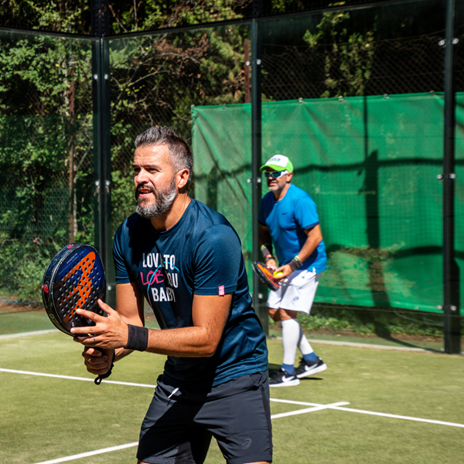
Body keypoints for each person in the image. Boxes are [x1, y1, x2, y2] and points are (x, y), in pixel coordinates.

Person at [71, 126, 272, 464]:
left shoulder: (213, 237)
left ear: (181, 178)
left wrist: (127, 336)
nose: (140, 178)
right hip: (180, 378)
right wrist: (108, 353)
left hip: (235, 375)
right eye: (136, 169)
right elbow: (130, 322)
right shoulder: (129, 235)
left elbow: (207, 339)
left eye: (152, 169)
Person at [258, 154, 327, 387]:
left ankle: (287, 372)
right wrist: (269, 257)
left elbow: (315, 236)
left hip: (307, 265)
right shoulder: (267, 201)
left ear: (289, 176)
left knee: (287, 313)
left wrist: (293, 265)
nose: (270, 177)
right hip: (285, 265)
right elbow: (263, 233)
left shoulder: (300, 200)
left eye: (276, 173)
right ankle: (310, 360)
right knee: (274, 311)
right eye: (268, 172)